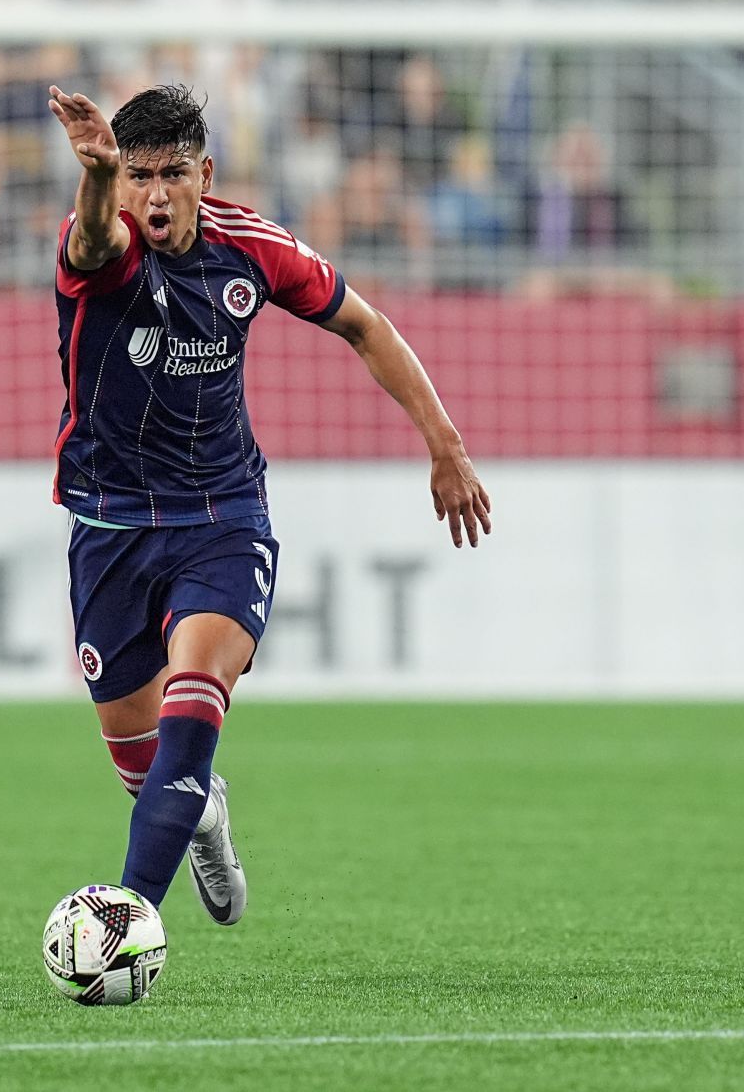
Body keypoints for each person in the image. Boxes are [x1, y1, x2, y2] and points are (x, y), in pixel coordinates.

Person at [45, 82, 490, 924]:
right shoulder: (101, 247)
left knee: (192, 712)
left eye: (172, 173)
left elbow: (368, 325)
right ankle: (203, 811)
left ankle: (128, 919)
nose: (155, 194)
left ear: (204, 175)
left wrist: (446, 444)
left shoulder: (253, 247)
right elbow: (98, 234)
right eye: (138, 176)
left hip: (223, 519)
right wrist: (98, 177)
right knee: (146, 772)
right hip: (108, 524)